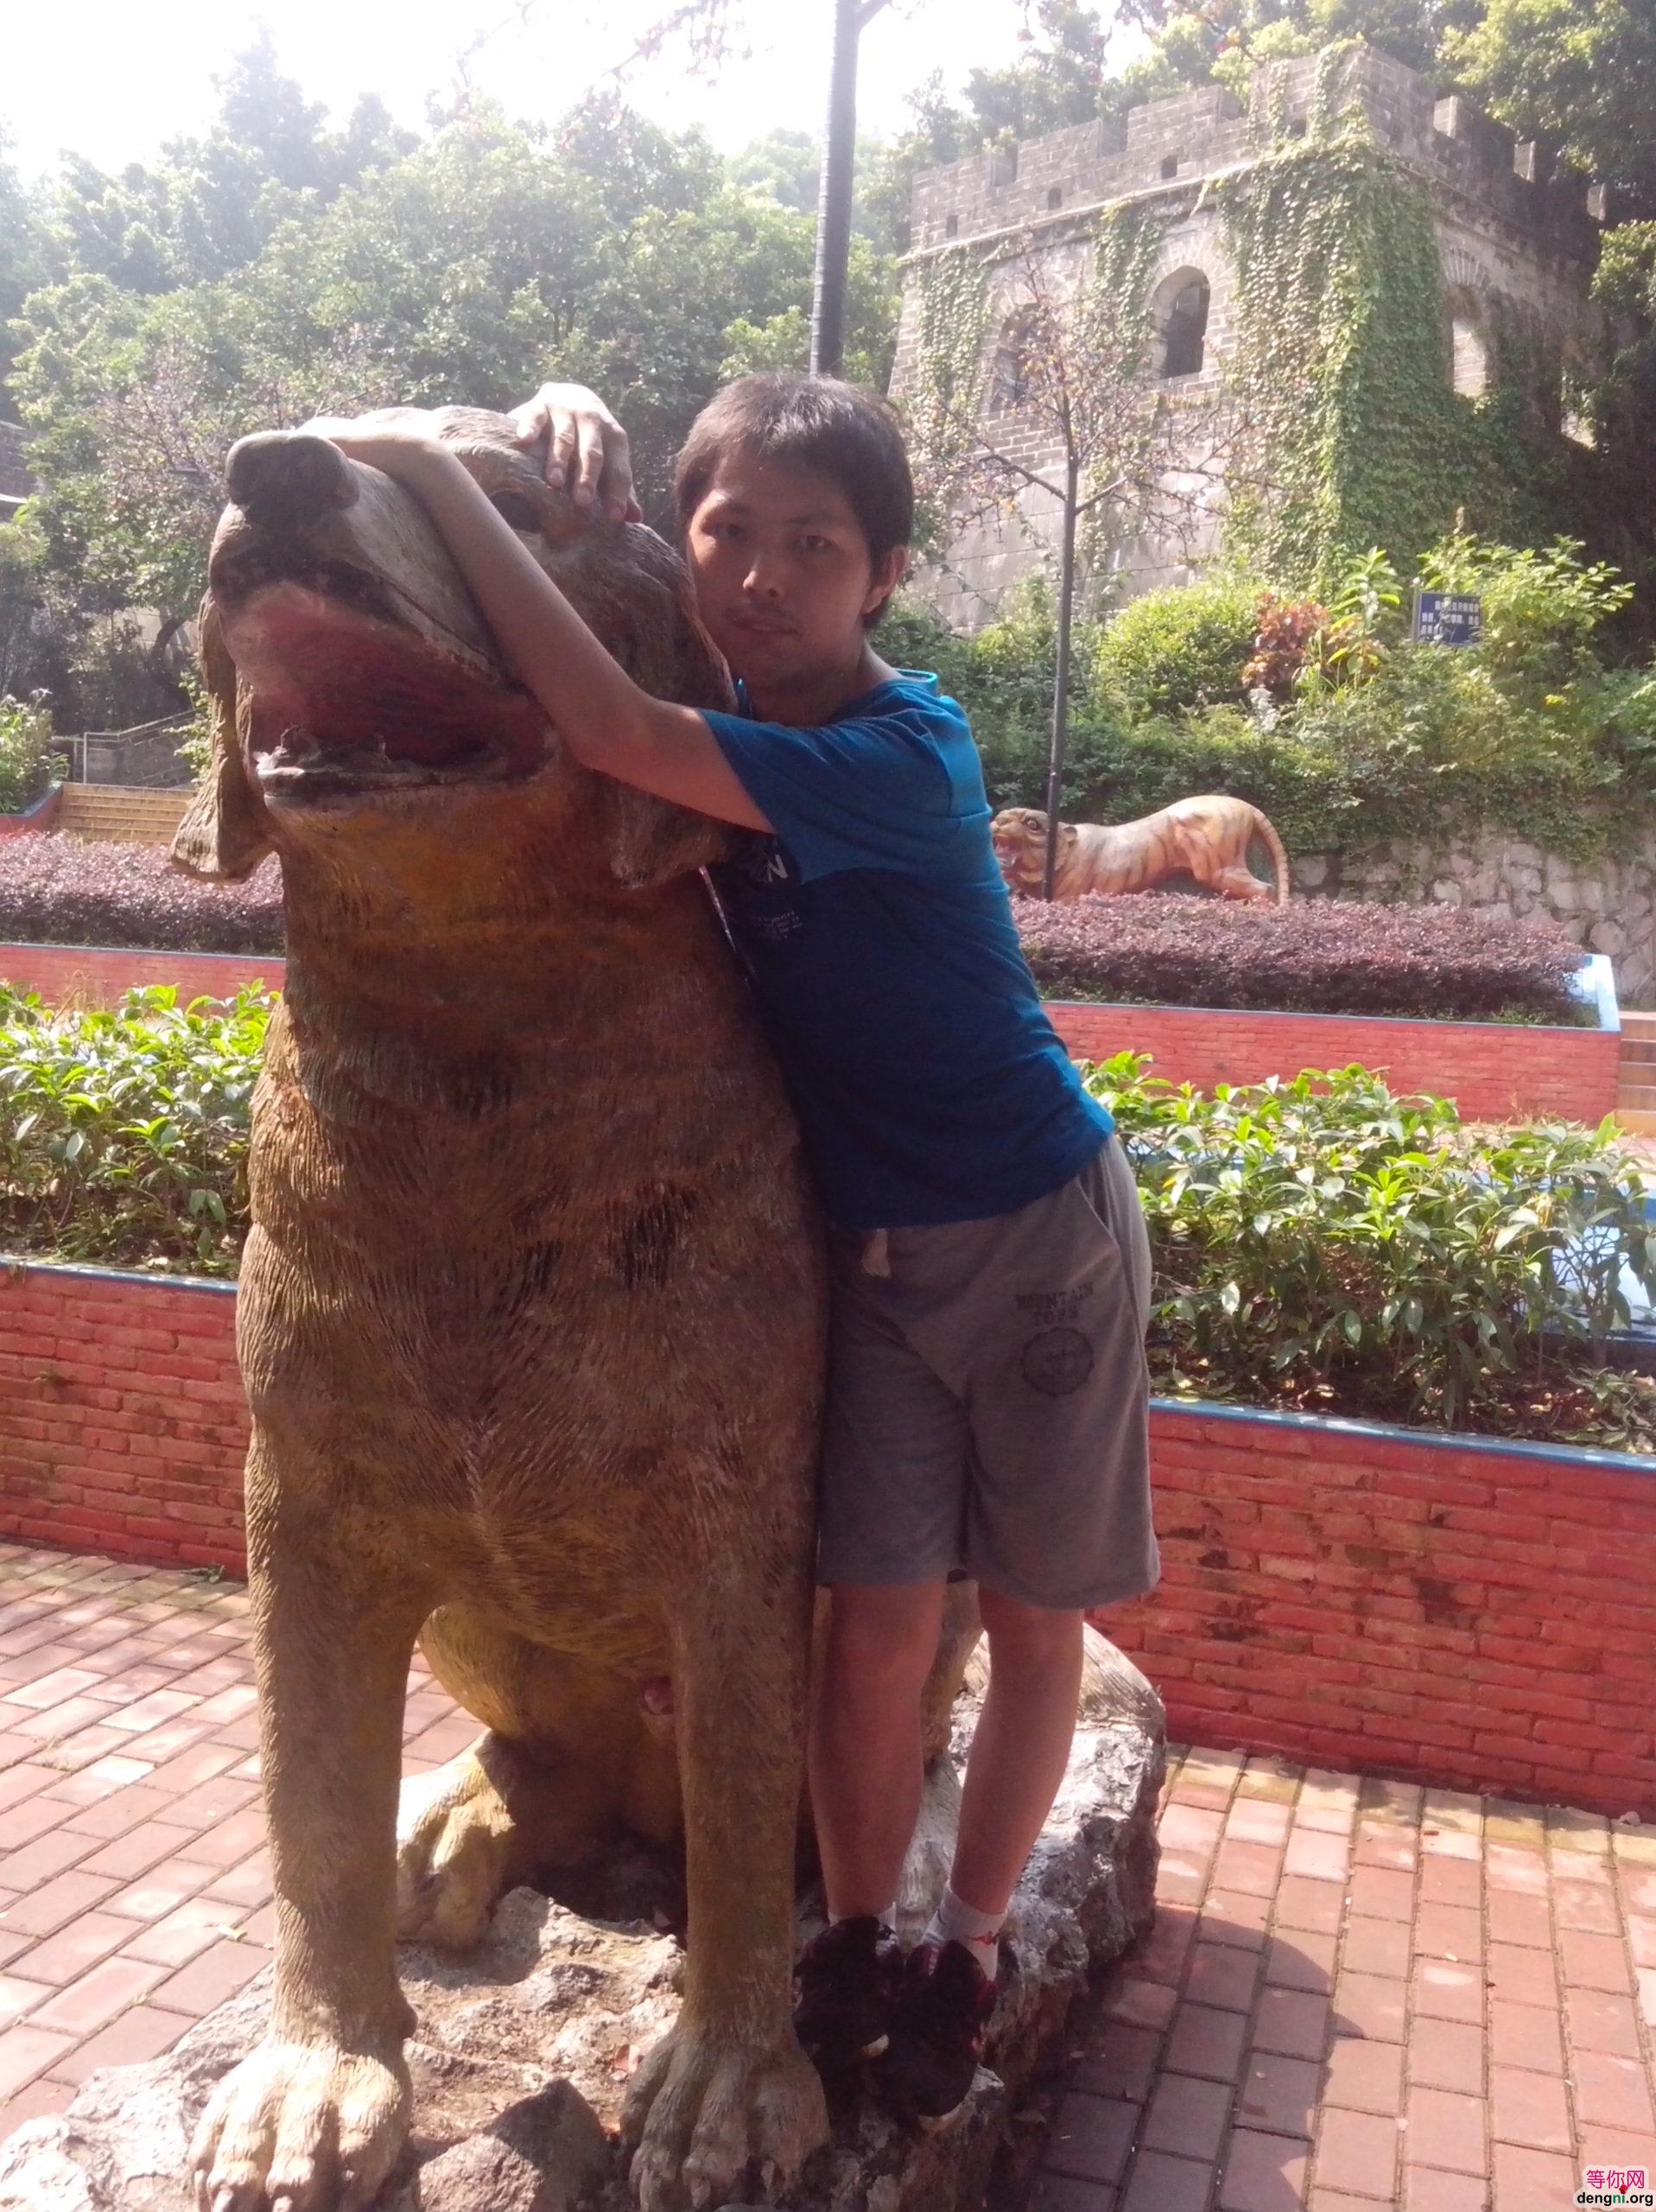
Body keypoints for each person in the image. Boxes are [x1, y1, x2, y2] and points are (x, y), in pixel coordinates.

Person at [308, 372, 1159, 2130]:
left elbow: (609, 718)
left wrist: (427, 468)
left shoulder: (894, 751)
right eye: (732, 533)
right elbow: (591, 620)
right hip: (873, 1260)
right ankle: (854, 1936)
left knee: (1029, 1619)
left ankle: (967, 1947)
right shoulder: (739, 710)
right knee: (869, 1626)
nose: (765, 576)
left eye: (816, 547)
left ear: (887, 575)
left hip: (1033, 1235)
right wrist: (554, 412)